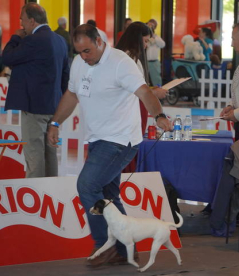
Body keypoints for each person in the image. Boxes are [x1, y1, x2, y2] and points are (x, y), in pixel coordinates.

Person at [47, 24, 172, 268]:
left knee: (87, 185)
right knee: (109, 195)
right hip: (96, 139)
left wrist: (159, 116)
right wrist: (54, 122)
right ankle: (126, 250)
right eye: (79, 52)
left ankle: (103, 244)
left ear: (99, 41)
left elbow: (145, 93)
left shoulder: (120, 62)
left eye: (87, 51)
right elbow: (72, 94)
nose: (84, 57)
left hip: (120, 140)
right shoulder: (79, 63)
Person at [2, 3, 69, 178]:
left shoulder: (32, 40)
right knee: (50, 153)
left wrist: (16, 38)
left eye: (22, 20)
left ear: (32, 21)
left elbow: (7, 57)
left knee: (34, 155)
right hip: (53, 105)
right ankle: (51, 191)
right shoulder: (60, 40)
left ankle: (36, 197)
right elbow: (65, 76)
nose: (21, 24)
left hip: (33, 106)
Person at [116, 21, 168, 172]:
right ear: (137, 39)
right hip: (130, 110)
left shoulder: (127, 57)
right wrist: (154, 93)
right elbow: (134, 89)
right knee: (127, 154)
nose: (146, 46)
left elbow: (137, 85)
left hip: (133, 109)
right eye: (145, 41)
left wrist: (151, 90)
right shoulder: (129, 59)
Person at [146, 19, 165, 86]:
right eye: (149, 25)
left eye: (152, 25)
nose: (150, 27)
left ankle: (158, 94)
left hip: (154, 62)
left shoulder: (156, 37)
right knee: (143, 79)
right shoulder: (144, 37)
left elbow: (162, 45)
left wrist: (154, 36)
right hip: (145, 62)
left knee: (156, 80)